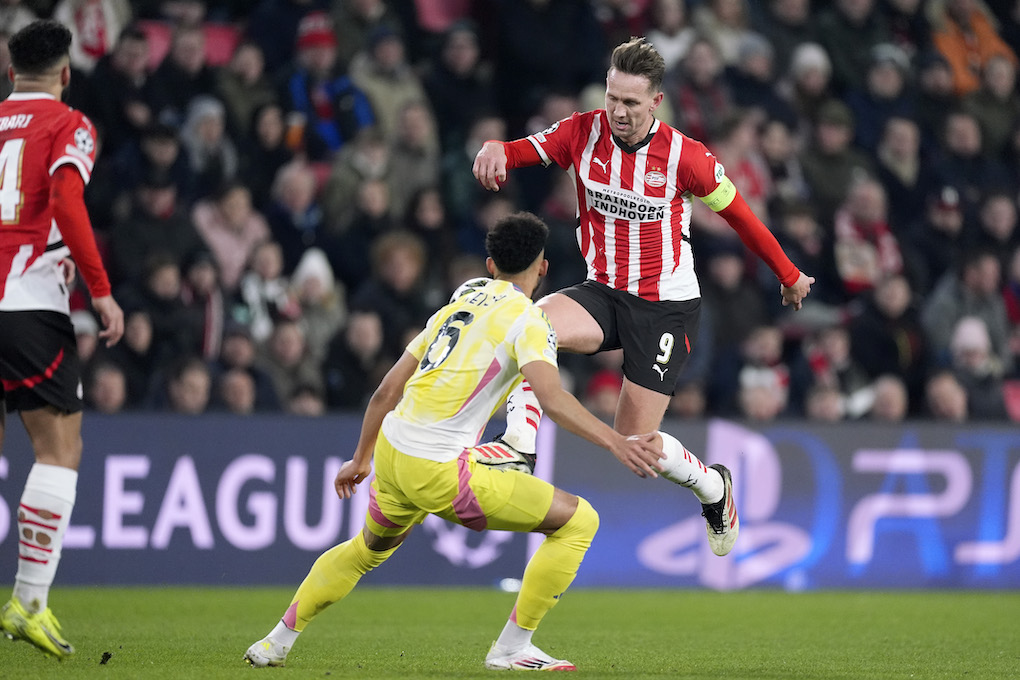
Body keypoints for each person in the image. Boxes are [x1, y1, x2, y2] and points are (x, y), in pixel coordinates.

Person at [243, 212, 664, 671]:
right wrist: (615, 442)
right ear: (543, 268)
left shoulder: (460, 301)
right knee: (579, 521)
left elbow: (386, 390)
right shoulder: (530, 321)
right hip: (440, 469)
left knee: (365, 549)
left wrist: (360, 458)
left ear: (490, 265)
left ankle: (275, 642)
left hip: (393, 450)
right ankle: (511, 648)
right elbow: (553, 399)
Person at [472, 37, 812, 556]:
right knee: (530, 324)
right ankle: (518, 446)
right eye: (613, 98)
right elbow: (518, 151)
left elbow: (742, 217)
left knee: (635, 446)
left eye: (631, 102)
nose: (619, 111)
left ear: (656, 101)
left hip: (664, 309)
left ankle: (713, 487)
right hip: (603, 289)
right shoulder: (580, 132)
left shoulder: (686, 157)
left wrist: (788, 274)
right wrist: (495, 147)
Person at [0, 20, 124, 660]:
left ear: (10, 70)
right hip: (26, 304)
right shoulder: (69, 124)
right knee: (58, 450)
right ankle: (28, 602)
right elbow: (66, 200)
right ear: (66, 73)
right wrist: (99, 289)